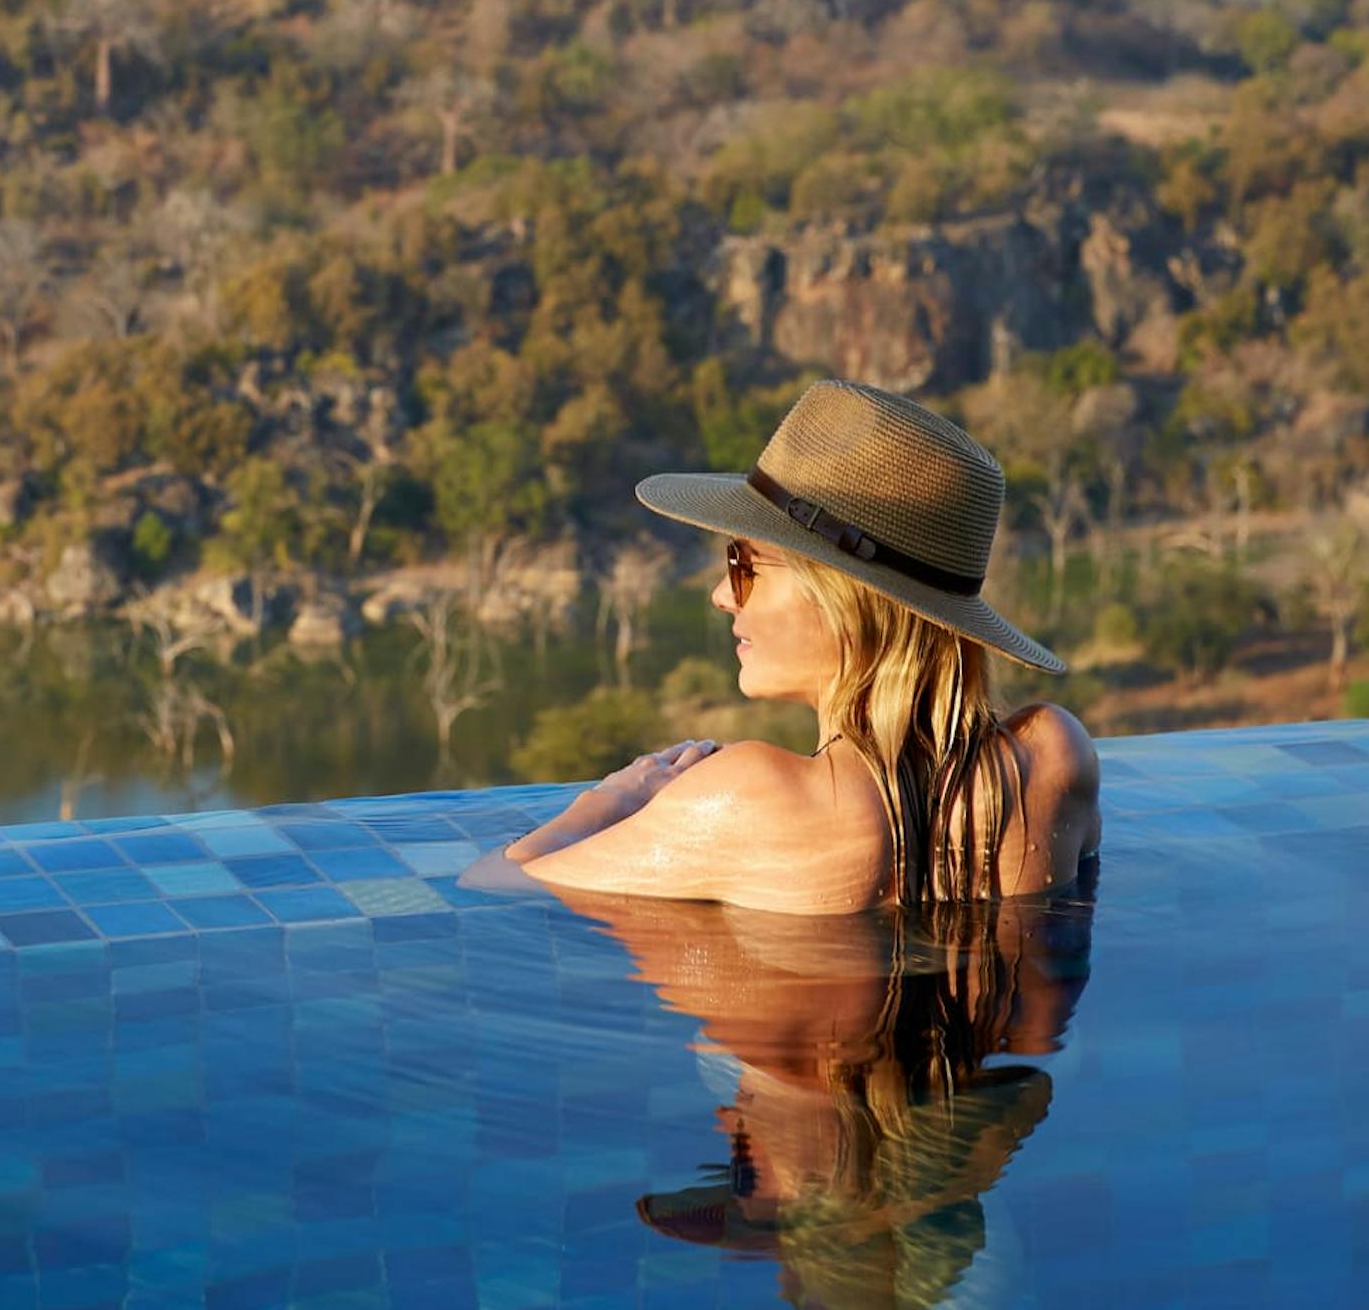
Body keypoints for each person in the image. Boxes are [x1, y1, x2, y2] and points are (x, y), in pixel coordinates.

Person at [470, 379, 1101, 913]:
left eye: (744, 563)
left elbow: (496, 884)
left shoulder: (753, 796)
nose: (723, 594)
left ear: (844, 602)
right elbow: (1037, 1037)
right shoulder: (1055, 755)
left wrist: (614, 799)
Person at [573, 881, 1096, 1307]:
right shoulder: (989, 1052)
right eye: (741, 1169)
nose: (721, 1121)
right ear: (832, 1177)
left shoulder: (724, 1059)